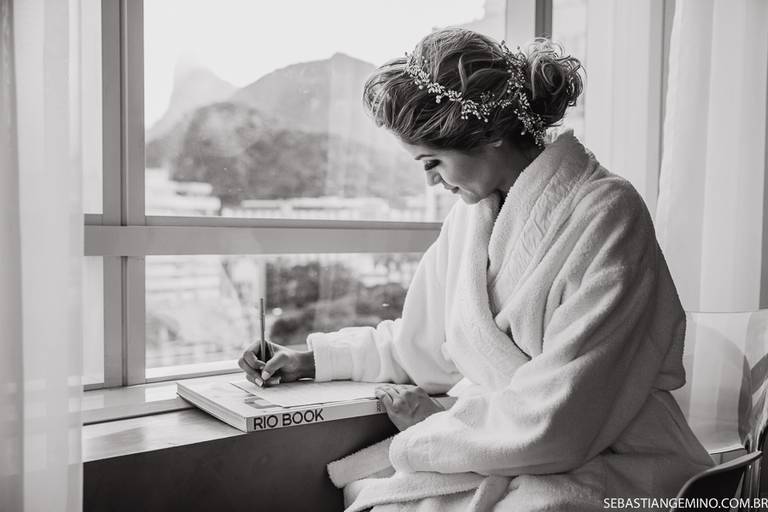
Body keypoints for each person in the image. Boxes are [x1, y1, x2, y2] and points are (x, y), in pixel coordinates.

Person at [238, 28, 713, 511]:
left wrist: (433, 430)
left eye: (432, 161)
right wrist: (310, 360)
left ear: (490, 135)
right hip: (503, 445)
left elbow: (569, 409)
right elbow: (423, 341)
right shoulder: (470, 218)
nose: (430, 180)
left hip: (604, 452)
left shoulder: (609, 213)